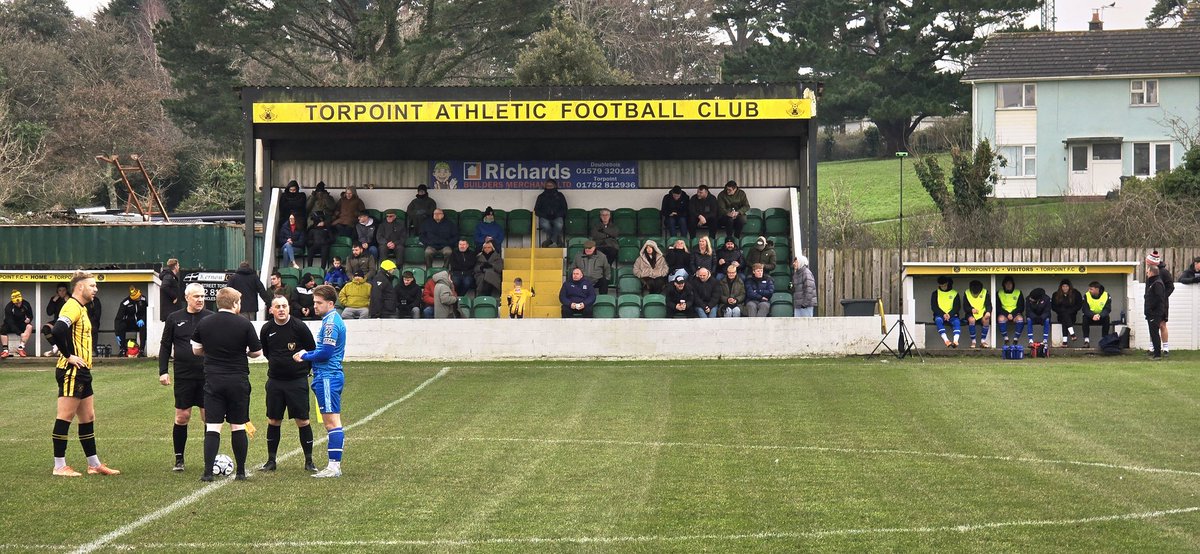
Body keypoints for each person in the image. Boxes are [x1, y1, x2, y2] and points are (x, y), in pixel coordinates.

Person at [47, 271, 119, 477]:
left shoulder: (81, 308)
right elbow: (58, 330)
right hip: (72, 370)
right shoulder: (71, 306)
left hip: (83, 370)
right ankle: (59, 466)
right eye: (92, 285)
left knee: (88, 416)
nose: (96, 289)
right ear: (80, 287)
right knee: (65, 416)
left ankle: (94, 464)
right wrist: (68, 355)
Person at [191, 287, 263, 481]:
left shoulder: (204, 322)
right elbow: (257, 352)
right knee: (238, 426)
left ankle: (207, 473)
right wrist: (244, 352)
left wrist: (212, 352)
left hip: (213, 380)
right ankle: (240, 472)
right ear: (235, 304)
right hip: (237, 380)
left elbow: (196, 350)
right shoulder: (244, 323)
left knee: (213, 427)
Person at [259, 295, 318, 472]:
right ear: (271, 310)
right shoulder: (266, 328)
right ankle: (271, 461)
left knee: (303, 420)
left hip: (297, 381)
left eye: (284, 306)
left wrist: (303, 369)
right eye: (277, 306)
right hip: (275, 381)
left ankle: (309, 461)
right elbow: (267, 352)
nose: (281, 309)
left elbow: (312, 349)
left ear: (289, 308)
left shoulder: (299, 326)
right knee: (274, 420)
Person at [294, 284, 347, 478]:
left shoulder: (331, 323)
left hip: (327, 376)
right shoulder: (330, 320)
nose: (314, 306)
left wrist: (304, 355)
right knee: (333, 421)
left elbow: (325, 352)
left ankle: (334, 467)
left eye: (319, 302)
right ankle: (334, 465)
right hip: (328, 376)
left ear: (330, 303)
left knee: (332, 423)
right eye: (314, 302)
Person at [159, 283, 213, 472]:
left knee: (208, 416)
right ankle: (179, 459)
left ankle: (210, 459)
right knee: (182, 417)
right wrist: (163, 371)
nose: (200, 299)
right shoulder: (174, 318)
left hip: (207, 375)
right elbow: (165, 346)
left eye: (202, 296)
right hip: (183, 375)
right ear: (187, 297)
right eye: (196, 296)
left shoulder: (210, 318)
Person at [1146, 251, 1174, 356]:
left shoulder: (1164, 273)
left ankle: (1165, 347)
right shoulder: (1150, 273)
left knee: (1162, 324)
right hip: (1152, 303)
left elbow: (1171, 287)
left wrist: (1162, 297)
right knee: (1152, 326)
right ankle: (1152, 346)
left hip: (1161, 304)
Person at [113, 286, 148, 357]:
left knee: (143, 327)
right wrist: (117, 333)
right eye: (137, 297)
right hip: (129, 323)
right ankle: (122, 349)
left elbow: (146, 312)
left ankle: (141, 350)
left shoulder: (143, 299)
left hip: (139, 322)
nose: (139, 298)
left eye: (139, 296)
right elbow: (118, 318)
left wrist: (143, 319)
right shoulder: (125, 303)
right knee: (121, 326)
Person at [535, 178, 568, 247]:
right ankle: (557, 239)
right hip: (545, 217)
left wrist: (557, 215)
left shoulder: (560, 195)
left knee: (559, 224)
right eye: (547, 185)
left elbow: (564, 208)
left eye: (551, 185)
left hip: (557, 217)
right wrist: (545, 215)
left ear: (555, 186)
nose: (549, 187)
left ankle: (550, 241)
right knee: (545, 225)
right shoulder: (541, 196)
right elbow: (536, 210)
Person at [1, 289, 34, 358]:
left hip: (21, 323)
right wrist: (20, 333)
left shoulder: (26, 304)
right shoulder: (9, 307)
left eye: (19, 302)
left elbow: (30, 315)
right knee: (3, 329)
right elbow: (10, 323)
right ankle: (5, 350)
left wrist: (29, 319)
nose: (18, 304)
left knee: (29, 327)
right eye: (16, 303)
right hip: (10, 324)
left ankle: (20, 348)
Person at [1145, 262, 1167, 360]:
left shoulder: (1157, 283)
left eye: (1147, 272)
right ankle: (1156, 353)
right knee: (1153, 333)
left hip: (1155, 313)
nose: (1147, 274)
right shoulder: (1153, 282)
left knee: (1154, 333)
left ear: (1152, 272)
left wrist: (1151, 309)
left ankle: (1157, 355)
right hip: (1152, 313)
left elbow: (1159, 299)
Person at [931, 275, 961, 347]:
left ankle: (955, 341)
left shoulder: (955, 293)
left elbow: (957, 306)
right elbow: (934, 307)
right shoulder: (935, 293)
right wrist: (943, 314)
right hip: (940, 315)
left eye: (944, 285)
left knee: (957, 322)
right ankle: (946, 340)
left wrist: (950, 314)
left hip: (952, 315)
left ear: (948, 283)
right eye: (941, 285)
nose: (943, 287)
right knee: (938, 320)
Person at [1051, 278, 1083, 347]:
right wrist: (1061, 311)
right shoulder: (1056, 295)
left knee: (1065, 317)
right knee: (1064, 315)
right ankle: (1072, 334)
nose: (1065, 288)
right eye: (1063, 286)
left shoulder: (1076, 294)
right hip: (1060, 316)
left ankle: (1065, 342)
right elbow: (1053, 307)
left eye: (1066, 286)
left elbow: (1079, 305)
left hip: (1072, 316)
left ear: (1069, 287)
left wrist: (1070, 311)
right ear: (1061, 287)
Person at [996, 275, 1025, 346]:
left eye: (1010, 283)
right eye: (1007, 284)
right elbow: (998, 307)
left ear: (1013, 284)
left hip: (1015, 314)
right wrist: (1007, 314)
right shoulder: (999, 293)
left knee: (1020, 319)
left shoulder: (1018, 292)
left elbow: (1021, 306)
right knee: (1000, 319)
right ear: (1004, 285)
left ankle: (1016, 339)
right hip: (1004, 314)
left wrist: (1013, 314)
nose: (1008, 285)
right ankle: (1006, 339)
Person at [1081, 281, 1111, 347]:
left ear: (1097, 289)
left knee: (1107, 318)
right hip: (1090, 317)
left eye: (1091, 289)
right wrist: (1093, 315)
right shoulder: (1086, 295)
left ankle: (1104, 340)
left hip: (1101, 317)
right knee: (1084, 318)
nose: (1089, 291)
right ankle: (1086, 341)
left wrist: (1099, 315)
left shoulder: (1106, 295)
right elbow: (1085, 309)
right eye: (1089, 289)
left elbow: (1107, 309)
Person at [963, 280, 991, 348]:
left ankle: (983, 341)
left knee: (986, 320)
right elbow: (965, 307)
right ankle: (973, 342)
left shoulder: (985, 292)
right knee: (971, 320)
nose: (975, 294)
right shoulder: (967, 293)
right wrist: (971, 309)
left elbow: (988, 304)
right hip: (971, 313)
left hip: (982, 313)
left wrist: (988, 312)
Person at [45, 283, 69, 356]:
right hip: (57, 321)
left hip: (68, 322)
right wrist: (53, 301)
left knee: (63, 332)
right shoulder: (54, 299)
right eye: (60, 290)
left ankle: (64, 350)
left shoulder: (71, 299)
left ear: (66, 291)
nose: (62, 292)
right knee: (46, 328)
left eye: (64, 290)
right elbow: (49, 312)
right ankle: (55, 346)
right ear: (57, 292)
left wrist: (67, 301)